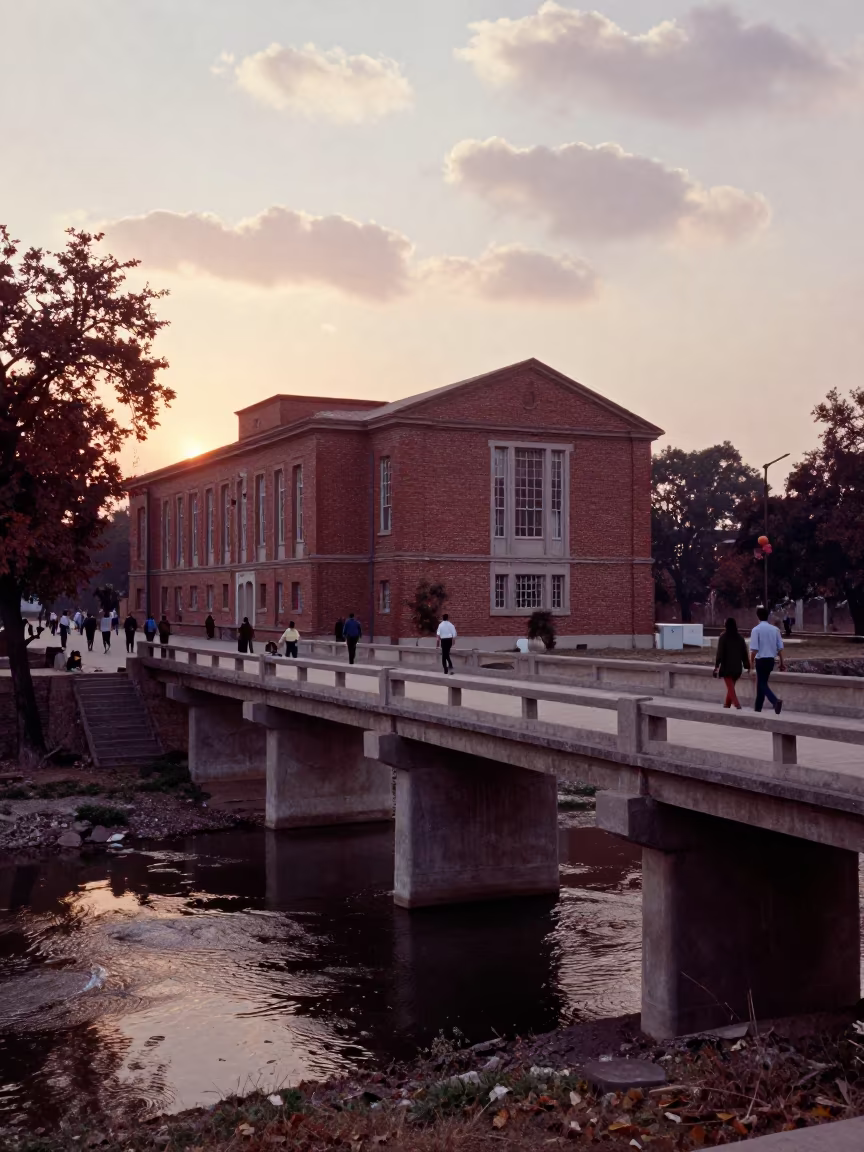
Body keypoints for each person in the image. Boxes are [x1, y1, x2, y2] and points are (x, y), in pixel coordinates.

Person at [749, 606, 785, 714]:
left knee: (761, 684)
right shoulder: (775, 630)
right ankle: (757, 709)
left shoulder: (756, 630)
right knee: (762, 684)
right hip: (770, 661)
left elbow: (754, 650)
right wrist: (782, 663)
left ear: (758, 617)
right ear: (768, 616)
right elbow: (780, 649)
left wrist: (750, 664)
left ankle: (775, 701)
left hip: (761, 661)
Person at [713, 618, 749, 709]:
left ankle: (737, 705)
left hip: (726, 667)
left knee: (730, 687)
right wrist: (747, 665)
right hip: (737, 668)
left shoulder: (723, 637)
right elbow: (744, 653)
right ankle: (726, 704)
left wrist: (717, 666)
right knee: (731, 687)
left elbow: (719, 653)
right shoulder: (740, 638)